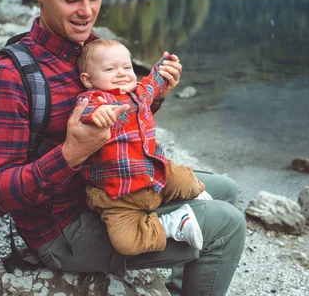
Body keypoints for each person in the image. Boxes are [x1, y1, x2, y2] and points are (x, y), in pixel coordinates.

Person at [0, 0, 246, 295]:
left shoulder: (91, 48)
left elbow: (125, 124)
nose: (86, 12)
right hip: (65, 229)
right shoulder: (7, 77)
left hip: (113, 187)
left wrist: (157, 95)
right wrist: (70, 154)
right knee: (228, 226)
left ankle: (179, 282)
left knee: (225, 190)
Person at [77, 38, 212, 255]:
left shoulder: (139, 93)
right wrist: (95, 114)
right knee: (125, 244)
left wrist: (165, 64)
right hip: (117, 197)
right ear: (87, 79)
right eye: (110, 69)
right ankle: (173, 223)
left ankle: (198, 192)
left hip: (154, 174)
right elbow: (83, 112)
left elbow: (153, 82)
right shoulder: (95, 99)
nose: (121, 73)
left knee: (185, 181)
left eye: (127, 67)